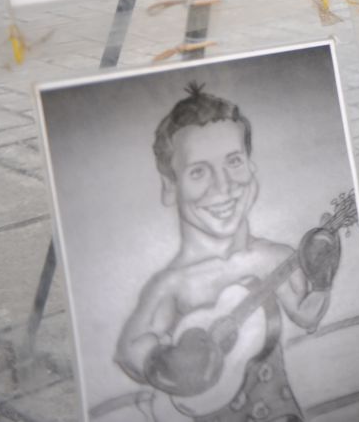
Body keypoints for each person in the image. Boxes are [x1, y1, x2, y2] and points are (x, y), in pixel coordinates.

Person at [115, 84, 341, 419]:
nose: (223, 186)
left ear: (252, 168)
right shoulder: (172, 284)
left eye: (234, 161)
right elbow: (128, 349)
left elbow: (306, 315)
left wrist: (322, 281)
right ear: (170, 187)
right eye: (198, 171)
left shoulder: (275, 258)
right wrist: (172, 367)